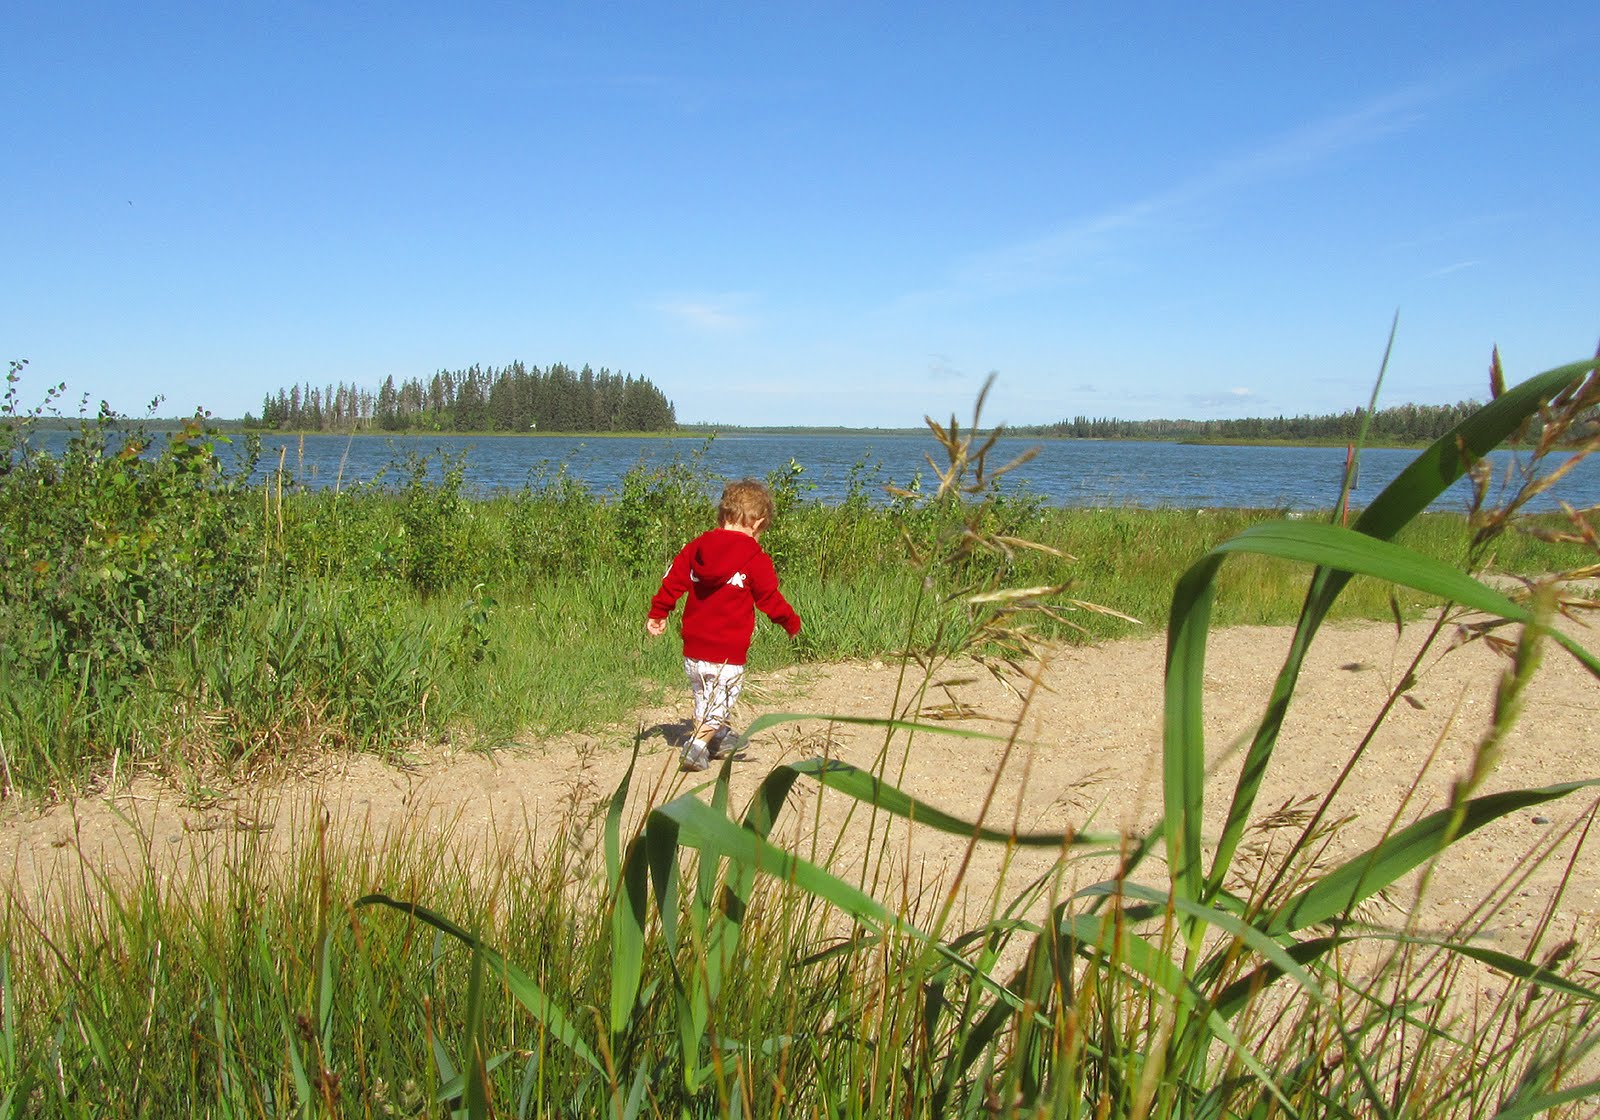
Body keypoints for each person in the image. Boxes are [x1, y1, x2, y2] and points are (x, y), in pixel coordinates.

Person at [646, 478, 802, 771]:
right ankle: (697, 747)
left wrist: (659, 612)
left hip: (693, 648)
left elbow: (672, 581)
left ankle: (718, 738)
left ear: (724, 514)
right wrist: (790, 622)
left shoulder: (696, 548)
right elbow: (770, 598)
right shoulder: (755, 557)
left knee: (704, 696)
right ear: (758, 523)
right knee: (720, 700)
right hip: (727, 652)